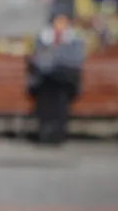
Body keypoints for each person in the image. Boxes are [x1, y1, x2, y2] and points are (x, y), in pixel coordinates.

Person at [27, 9, 85, 145]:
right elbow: (37, 58)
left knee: (60, 97)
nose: (60, 24)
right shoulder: (43, 38)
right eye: (58, 21)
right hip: (44, 80)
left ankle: (58, 132)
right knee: (46, 96)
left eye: (63, 21)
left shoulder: (73, 39)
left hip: (65, 81)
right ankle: (45, 131)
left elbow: (75, 60)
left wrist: (53, 58)